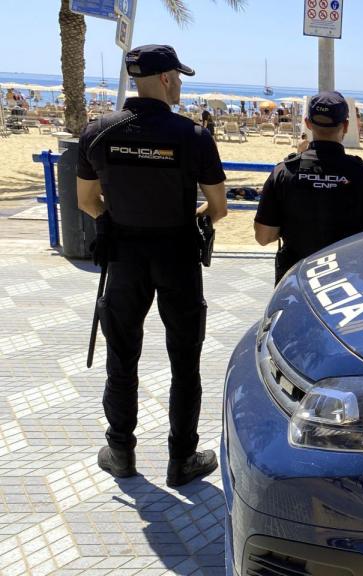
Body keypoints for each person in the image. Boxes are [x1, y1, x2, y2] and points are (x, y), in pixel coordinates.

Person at [76, 45, 228, 487]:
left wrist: (116, 220)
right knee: (185, 361)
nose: (179, 84)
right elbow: (218, 207)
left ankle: (121, 452)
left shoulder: (98, 132)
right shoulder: (193, 136)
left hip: (124, 257)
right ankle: (182, 459)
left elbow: (87, 201)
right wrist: (190, 218)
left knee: (121, 357)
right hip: (177, 256)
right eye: (177, 77)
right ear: (164, 79)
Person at [254, 91, 363, 284]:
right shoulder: (362, 175)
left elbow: (263, 236)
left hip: (296, 282)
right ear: (345, 126)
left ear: (308, 123)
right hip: (349, 281)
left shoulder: (285, 172)